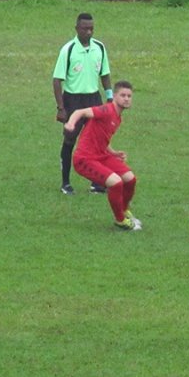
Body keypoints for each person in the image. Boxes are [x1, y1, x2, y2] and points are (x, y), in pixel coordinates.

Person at [63, 80, 140, 231]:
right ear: (115, 96)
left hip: (102, 155)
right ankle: (120, 220)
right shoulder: (106, 110)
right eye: (123, 95)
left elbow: (102, 137)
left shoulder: (118, 117)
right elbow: (80, 112)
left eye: (129, 96)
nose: (126, 98)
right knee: (116, 183)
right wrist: (71, 124)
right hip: (84, 159)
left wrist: (113, 153)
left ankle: (123, 210)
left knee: (130, 179)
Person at [53, 12, 112, 195]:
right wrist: (61, 108)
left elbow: (105, 74)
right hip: (73, 100)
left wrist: (109, 98)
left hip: (94, 99)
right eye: (85, 28)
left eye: (91, 28)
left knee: (95, 141)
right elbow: (57, 80)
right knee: (70, 139)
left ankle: (97, 183)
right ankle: (65, 183)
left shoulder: (99, 48)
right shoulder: (68, 50)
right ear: (77, 29)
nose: (89, 32)